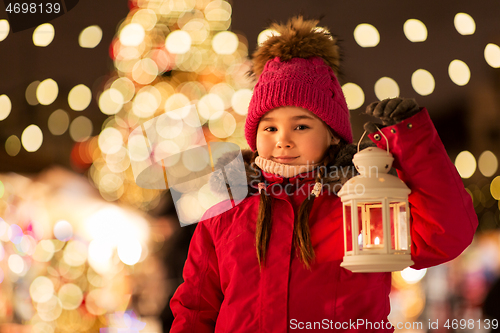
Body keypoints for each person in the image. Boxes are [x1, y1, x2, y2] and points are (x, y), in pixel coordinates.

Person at [169, 16, 478, 332]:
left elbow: (446, 234)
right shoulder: (226, 209)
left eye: (301, 126)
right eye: (270, 127)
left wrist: (413, 139)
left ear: (332, 134)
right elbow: (196, 307)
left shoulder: (365, 199)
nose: (282, 139)